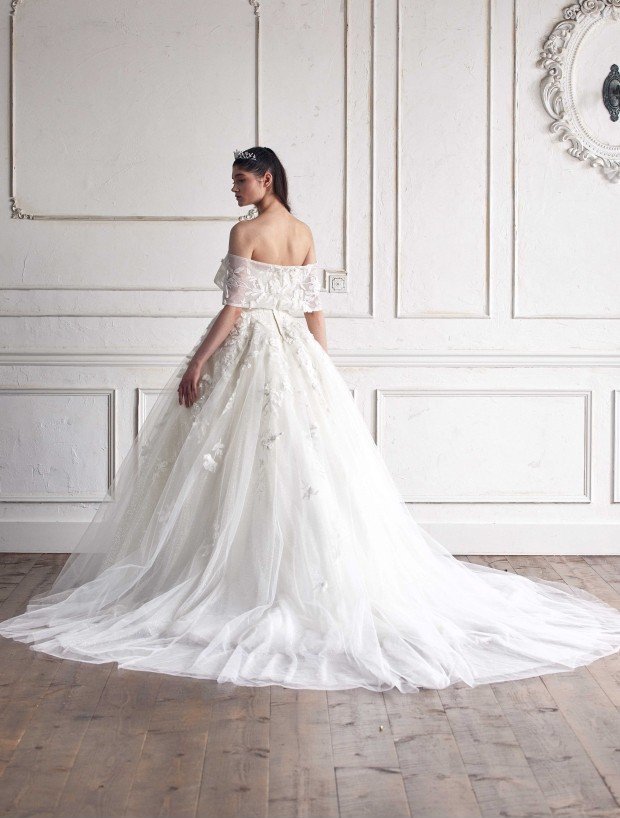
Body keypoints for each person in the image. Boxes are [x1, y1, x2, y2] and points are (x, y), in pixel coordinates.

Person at [1, 146, 619, 693]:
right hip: (296, 351)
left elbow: (234, 310)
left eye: (240, 180)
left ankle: (233, 576)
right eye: (234, 181)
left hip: (253, 350)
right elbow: (314, 310)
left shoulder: (246, 232)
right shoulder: (302, 232)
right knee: (292, 464)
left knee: (239, 462)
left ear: (266, 179)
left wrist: (197, 362)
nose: (234, 189)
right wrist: (321, 369)